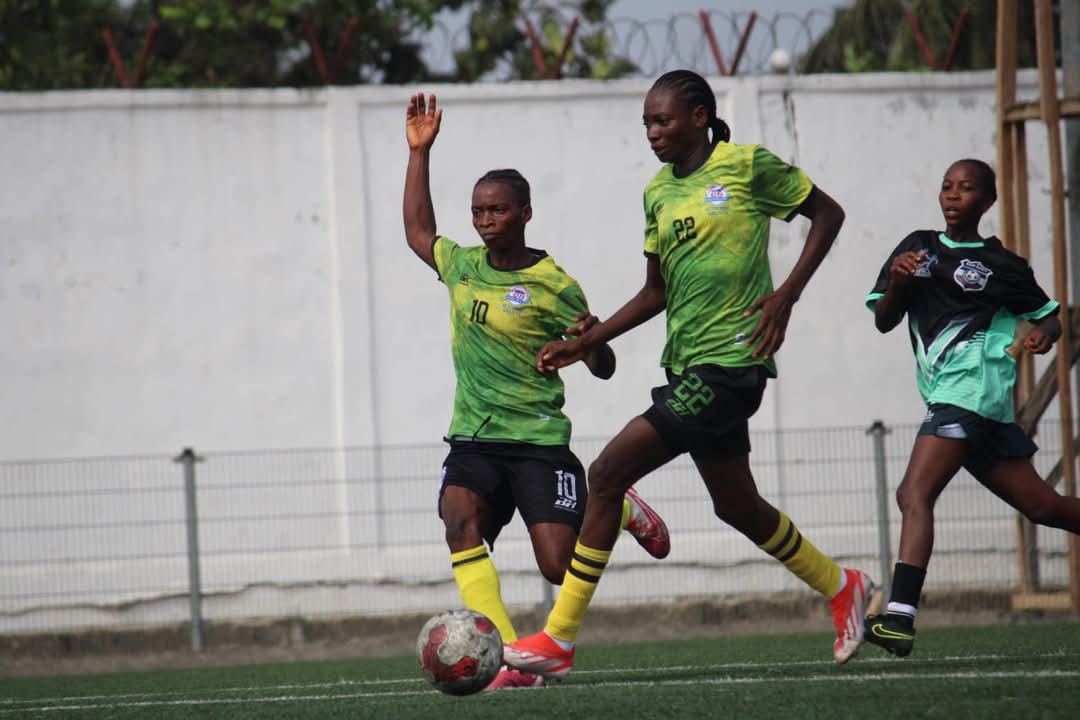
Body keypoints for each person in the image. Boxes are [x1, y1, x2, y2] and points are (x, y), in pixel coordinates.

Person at [503, 69, 877, 680]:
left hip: (732, 365)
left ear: (699, 117)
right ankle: (844, 587)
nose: (652, 132)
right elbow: (655, 292)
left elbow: (827, 214)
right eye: (647, 123)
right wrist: (588, 341)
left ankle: (560, 639)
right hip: (688, 366)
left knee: (607, 474)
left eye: (663, 120)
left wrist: (786, 295)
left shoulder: (746, 166)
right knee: (736, 505)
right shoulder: (658, 192)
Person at [402, 92, 671, 690]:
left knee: (557, 564)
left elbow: (603, 365)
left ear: (525, 213)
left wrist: (590, 343)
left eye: (497, 209)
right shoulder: (463, 266)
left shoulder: (554, 284)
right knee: (458, 520)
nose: (485, 219)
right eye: (477, 211)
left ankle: (619, 508)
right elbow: (419, 232)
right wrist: (419, 153)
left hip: (538, 443)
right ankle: (505, 662)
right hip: (474, 438)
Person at [862, 158, 1080, 657]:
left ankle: (899, 618)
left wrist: (1044, 336)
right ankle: (899, 618)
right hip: (964, 400)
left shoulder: (1003, 265)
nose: (953, 196)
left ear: (988, 201)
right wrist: (898, 280)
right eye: (947, 187)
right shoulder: (917, 247)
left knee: (913, 493)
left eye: (965, 188)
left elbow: (1049, 317)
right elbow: (883, 320)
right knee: (1042, 506)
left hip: (969, 391)